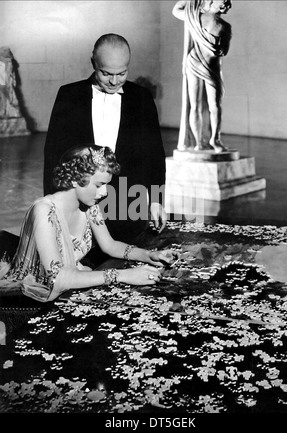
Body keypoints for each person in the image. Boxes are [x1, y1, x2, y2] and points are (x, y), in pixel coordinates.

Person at [0, 145, 177, 303]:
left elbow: (110, 245)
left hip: (73, 276)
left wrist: (148, 255)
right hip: (37, 287)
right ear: (76, 179)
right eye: (99, 184)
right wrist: (123, 275)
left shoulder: (89, 206)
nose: (104, 192)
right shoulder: (43, 211)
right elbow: (59, 279)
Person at [43, 33, 167, 244]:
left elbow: (155, 155)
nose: (114, 81)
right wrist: (52, 203)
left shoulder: (142, 98)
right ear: (93, 63)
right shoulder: (68, 95)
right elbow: (54, 155)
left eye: (122, 73)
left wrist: (156, 201)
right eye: (106, 73)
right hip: (81, 202)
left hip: (128, 204)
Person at [172, 0, 232, 152]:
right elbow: (176, 10)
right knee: (196, 105)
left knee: (214, 105)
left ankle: (215, 139)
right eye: (224, 1)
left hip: (209, 67)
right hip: (196, 64)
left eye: (228, 2)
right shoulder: (195, 17)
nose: (227, 4)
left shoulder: (223, 26)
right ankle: (199, 142)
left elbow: (224, 51)